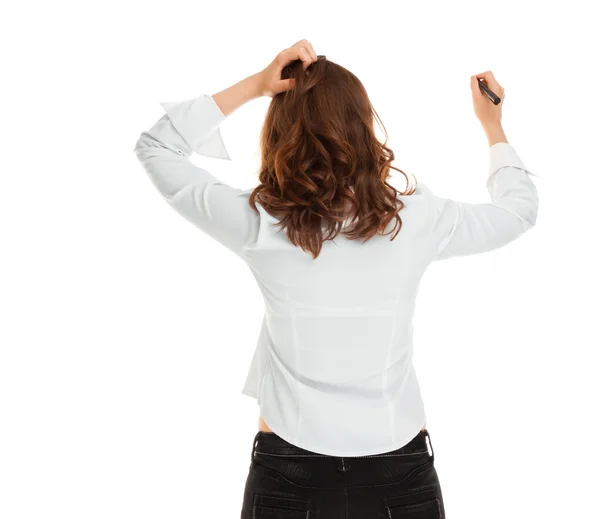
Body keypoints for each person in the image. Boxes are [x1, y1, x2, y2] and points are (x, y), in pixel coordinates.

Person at [133, 39, 538, 519]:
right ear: (363, 127)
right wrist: (492, 126)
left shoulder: (260, 222)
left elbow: (156, 146)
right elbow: (518, 212)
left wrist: (257, 85)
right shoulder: (415, 220)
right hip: (398, 469)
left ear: (281, 132)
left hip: (288, 468)